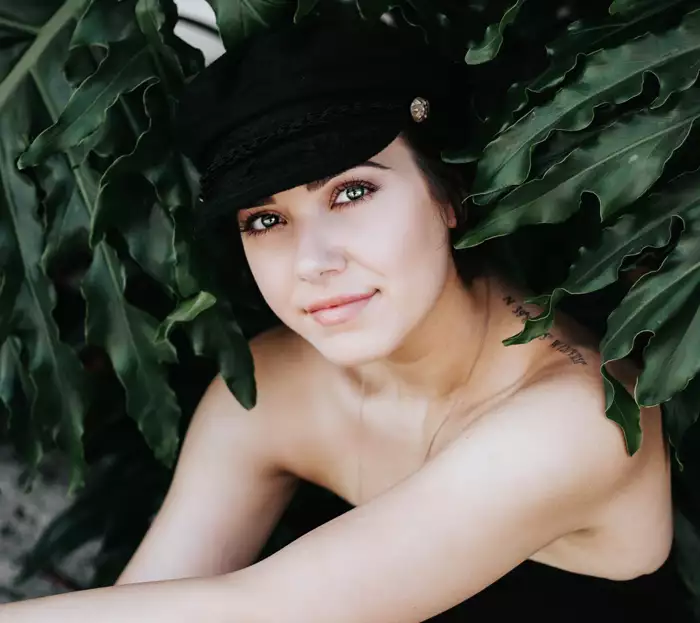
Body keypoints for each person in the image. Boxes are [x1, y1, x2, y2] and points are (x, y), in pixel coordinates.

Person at [1, 14, 694, 623]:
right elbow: (152, 593)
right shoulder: (278, 386)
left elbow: (260, 611)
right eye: (266, 220)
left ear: (448, 194)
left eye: (352, 192)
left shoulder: (577, 418)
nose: (312, 261)